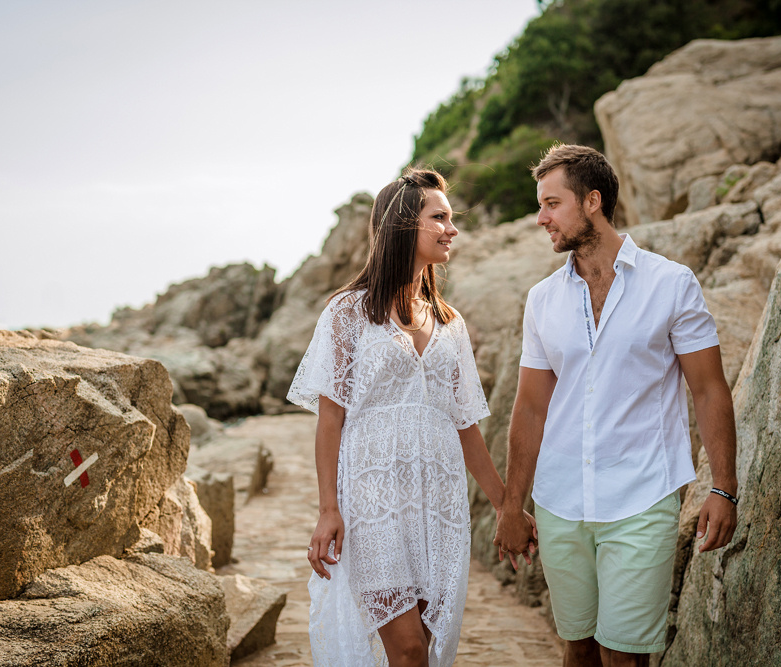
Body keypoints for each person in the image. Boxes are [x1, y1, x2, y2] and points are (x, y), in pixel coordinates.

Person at [494, 144, 738, 667]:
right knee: (577, 648)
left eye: (551, 203)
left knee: (624, 656)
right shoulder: (542, 300)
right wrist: (512, 507)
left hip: (642, 498)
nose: (541, 218)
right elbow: (531, 407)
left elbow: (710, 389)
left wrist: (722, 486)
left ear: (592, 202)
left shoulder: (671, 284)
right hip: (561, 500)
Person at [288, 169, 524, 667]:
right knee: (410, 649)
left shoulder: (449, 322)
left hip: (437, 505)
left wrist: (506, 505)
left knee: (428, 644)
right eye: (439, 218)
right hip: (373, 504)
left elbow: (466, 424)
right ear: (401, 226)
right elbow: (330, 419)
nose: (451, 229)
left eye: (451, 218)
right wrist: (329, 508)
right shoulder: (348, 314)